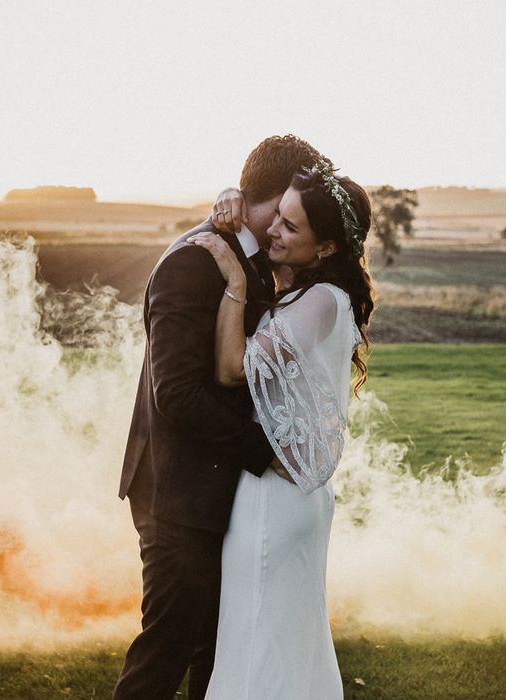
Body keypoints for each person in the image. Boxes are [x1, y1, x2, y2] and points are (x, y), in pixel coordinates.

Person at [113, 135, 332, 700]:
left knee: (216, 655)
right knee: (167, 650)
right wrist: (265, 453)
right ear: (274, 197)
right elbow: (178, 394)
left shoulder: (254, 255)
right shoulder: (194, 262)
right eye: (288, 207)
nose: (291, 222)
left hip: (222, 493)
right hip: (177, 491)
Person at [189, 161, 375, 699]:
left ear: (326, 249)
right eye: (279, 217)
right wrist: (230, 200)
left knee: (257, 644)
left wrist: (232, 280)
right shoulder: (307, 292)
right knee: (283, 645)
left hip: (276, 498)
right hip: (296, 495)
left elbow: (230, 369)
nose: (274, 230)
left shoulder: (319, 302)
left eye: (291, 227)